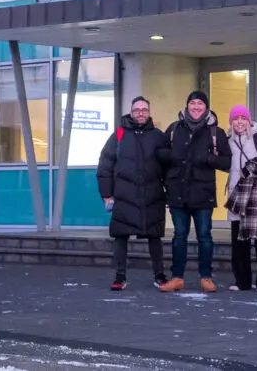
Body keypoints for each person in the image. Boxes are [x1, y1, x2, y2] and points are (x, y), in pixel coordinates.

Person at [157, 90, 232, 293]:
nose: (196, 107)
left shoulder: (216, 132)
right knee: (179, 236)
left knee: (205, 237)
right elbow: (160, 154)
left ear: (206, 107)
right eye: (193, 103)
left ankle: (206, 277)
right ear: (187, 106)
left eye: (200, 103)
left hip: (203, 192)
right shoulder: (174, 129)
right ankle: (177, 277)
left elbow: (227, 161)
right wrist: (171, 155)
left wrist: (209, 159)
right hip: (178, 192)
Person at [96, 96, 168, 291]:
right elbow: (105, 164)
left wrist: (170, 193)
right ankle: (120, 276)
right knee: (121, 235)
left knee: (155, 235)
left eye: (144, 109)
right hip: (124, 194)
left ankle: (159, 275)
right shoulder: (119, 134)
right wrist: (106, 194)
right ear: (131, 111)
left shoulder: (158, 136)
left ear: (149, 112)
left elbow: (168, 167)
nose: (141, 113)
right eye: (137, 110)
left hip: (152, 195)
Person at [225, 105, 257, 293]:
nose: (239, 122)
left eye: (243, 118)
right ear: (231, 121)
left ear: (249, 120)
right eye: (235, 118)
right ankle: (242, 281)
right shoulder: (227, 141)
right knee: (239, 243)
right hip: (237, 196)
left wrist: (252, 169)